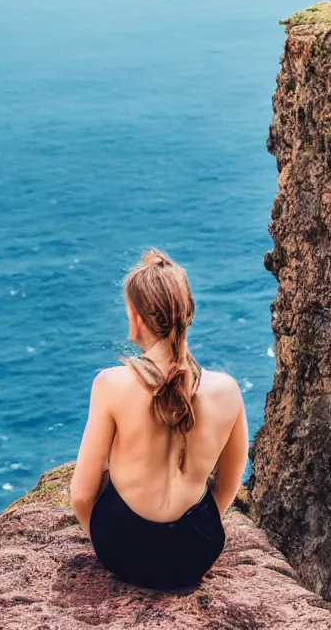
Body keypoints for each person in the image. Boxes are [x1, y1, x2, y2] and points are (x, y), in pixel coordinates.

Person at [69, 247, 249, 590]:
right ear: (189, 313)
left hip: (123, 550)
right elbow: (225, 487)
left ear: (136, 317)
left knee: (107, 475)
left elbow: (81, 496)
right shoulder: (227, 390)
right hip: (197, 552)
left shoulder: (111, 384)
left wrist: (102, 540)